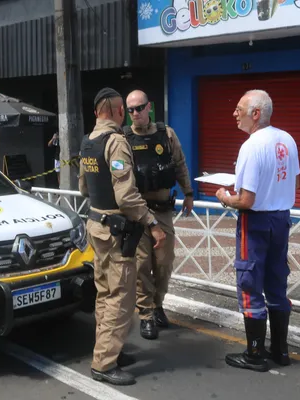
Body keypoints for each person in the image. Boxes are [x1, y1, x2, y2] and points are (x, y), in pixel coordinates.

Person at [79, 87, 166, 386]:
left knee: (104, 294)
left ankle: (108, 352)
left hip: (96, 227)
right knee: (120, 298)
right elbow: (127, 196)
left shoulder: (87, 142)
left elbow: (83, 189)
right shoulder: (115, 142)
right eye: (124, 111)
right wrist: (152, 221)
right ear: (117, 111)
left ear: (95, 112)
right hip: (116, 232)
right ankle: (103, 364)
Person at [215, 89, 299, 372]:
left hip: (255, 223)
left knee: (249, 284)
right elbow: (292, 185)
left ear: (255, 114)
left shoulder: (251, 145)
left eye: (239, 109)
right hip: (281, 219)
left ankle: (254, 354)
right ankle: (280, 351)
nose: (234, 113)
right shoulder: (287, 140)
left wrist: (225, 198)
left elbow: (246, 200)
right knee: (277, 283)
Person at [122, 90, 194, 340]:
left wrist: (188, 192)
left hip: (163, 210)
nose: (135, 114)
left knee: (164, 262)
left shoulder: (167, 133)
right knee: (142, 264)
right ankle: (146, 314)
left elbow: (181, 163)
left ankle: (157, 303)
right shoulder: (124, 138)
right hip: (138, 211)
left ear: (149, 107)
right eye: (130, 110)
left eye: (139, 108)